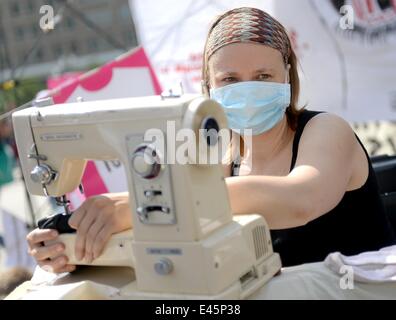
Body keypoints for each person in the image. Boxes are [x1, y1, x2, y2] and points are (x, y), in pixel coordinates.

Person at [26, 7, 395, 272]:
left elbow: (300, 200)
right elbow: (177, 224)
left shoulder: (328, 130)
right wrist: (79, 244)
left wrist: (132, 207)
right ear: (208, 88)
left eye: (263, 75)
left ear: (288, 78)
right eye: (230, 80)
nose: (248, 88)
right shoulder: (219, 156)